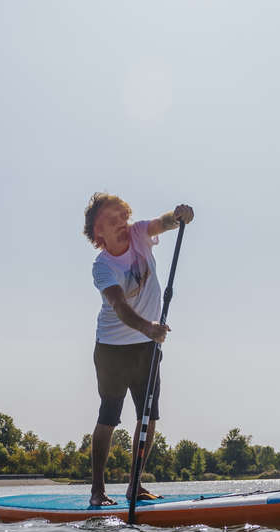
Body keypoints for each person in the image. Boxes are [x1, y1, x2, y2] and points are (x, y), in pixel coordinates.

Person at [82, 193, 195, 507]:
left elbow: (164, 222)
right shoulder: (102, 266)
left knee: (148, 417)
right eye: (110, 221)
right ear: (97, 234)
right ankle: (97, 490)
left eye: (121, 217)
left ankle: (135, 486)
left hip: (147, 347)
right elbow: (119, 306)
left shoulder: (139, 233)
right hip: (112, 349)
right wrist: (149, 328)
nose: (120, 224)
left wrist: (180, 214)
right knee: (109, 417)